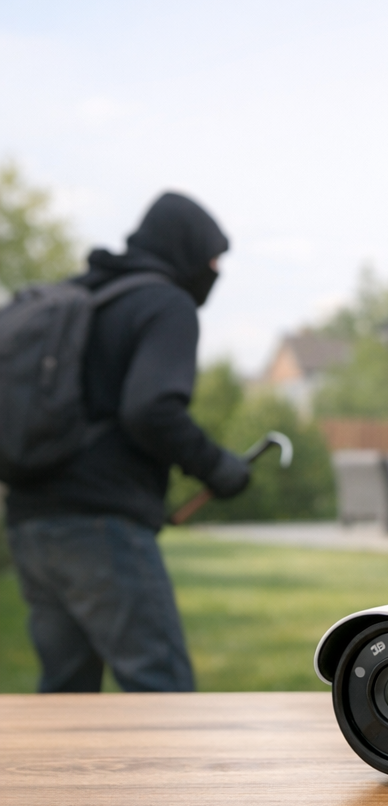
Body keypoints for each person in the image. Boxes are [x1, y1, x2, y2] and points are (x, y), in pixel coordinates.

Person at [5, 192, 251, 693]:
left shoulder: (83, 296)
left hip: (31, 523)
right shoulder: (165, 303)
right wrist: (217, 467)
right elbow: (151, 408)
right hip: (101, 524)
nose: (215, 269)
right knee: (163, 691)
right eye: (213, 256)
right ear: (185, 250)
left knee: (66, 696)